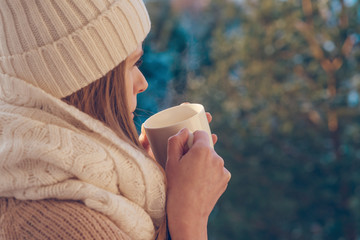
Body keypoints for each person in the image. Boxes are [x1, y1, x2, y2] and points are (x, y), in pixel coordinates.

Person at [0, 0, 230, 239]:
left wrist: (143, 168)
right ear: (88, 80)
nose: (142, 83)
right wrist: (191, 217)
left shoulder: (40, 176)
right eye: (132, 65)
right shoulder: (56, 224)